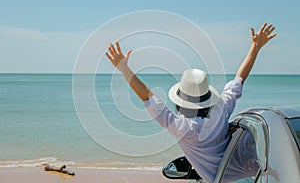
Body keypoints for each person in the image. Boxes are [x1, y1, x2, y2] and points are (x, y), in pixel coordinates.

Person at [105, 23, 276, 182]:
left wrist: (123, 68)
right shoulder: (221, 109)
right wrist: (255, 47)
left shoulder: (184, 128)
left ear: (180, 102)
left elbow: (148, 98)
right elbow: (239, 79)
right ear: (207, 96)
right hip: (253, 173)